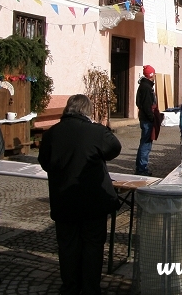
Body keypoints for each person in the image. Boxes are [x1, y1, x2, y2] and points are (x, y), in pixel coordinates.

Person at [38, 94, 121, 295]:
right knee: (92, 246)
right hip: (92, 202)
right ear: (87, 111)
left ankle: (70, 287)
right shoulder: (95, 131)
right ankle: (90, 288)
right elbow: (115, 148)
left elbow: (44, 162)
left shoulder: (52, 133)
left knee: (67, 246)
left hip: (64, 200)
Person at [135, 64, 156, 176]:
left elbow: (139, 103)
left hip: (144, 118)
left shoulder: (143, 86)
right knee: (146, 144)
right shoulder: (147, 88)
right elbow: (147, 106)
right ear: (151, 75)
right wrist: (153, 118)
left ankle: (141, 167)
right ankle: (142, 168)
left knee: (144, 142)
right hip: (147, 119)